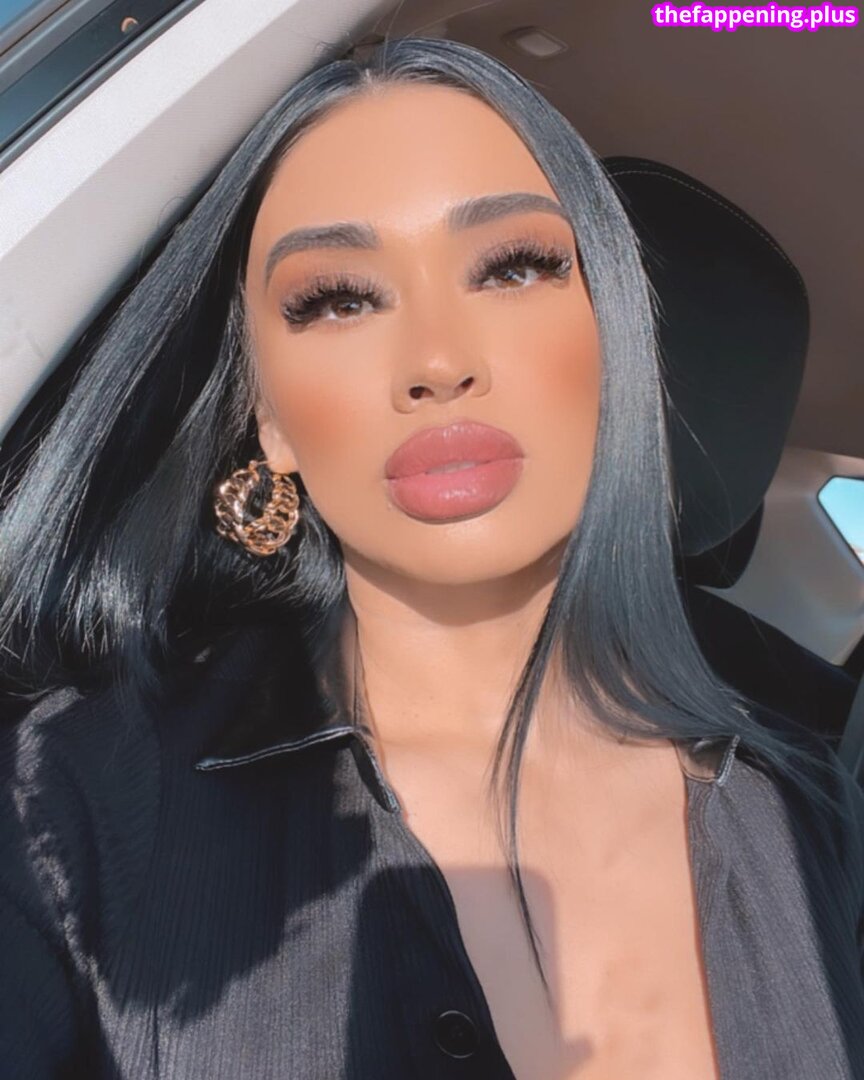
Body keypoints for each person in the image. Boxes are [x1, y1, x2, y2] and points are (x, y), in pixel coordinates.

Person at [0, 34, 862, 1080]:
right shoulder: (71, 803)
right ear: (267, 417)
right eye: (338, 298)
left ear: (614, 346)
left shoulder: (810, 795)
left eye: (513, 267)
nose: (438, 362)